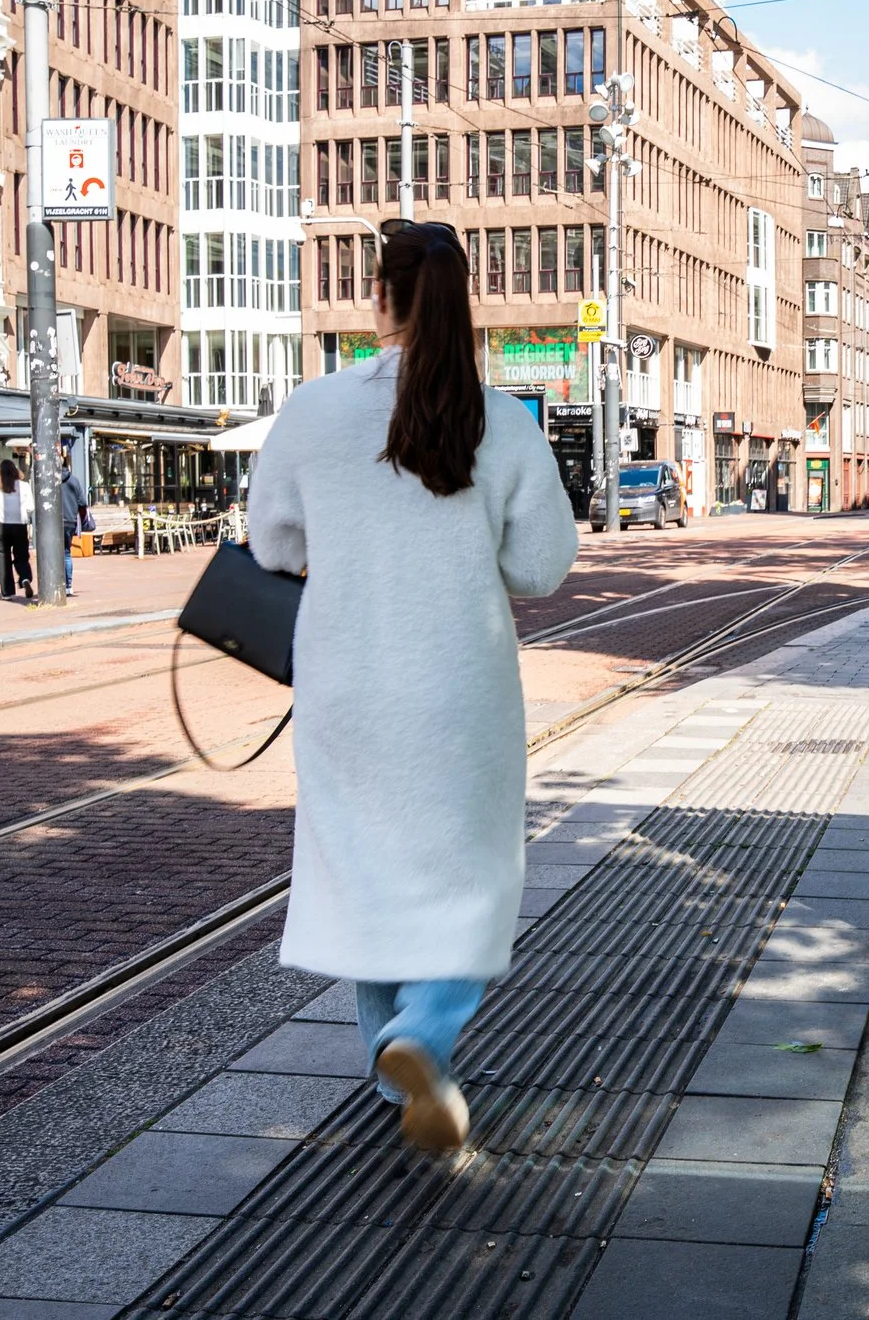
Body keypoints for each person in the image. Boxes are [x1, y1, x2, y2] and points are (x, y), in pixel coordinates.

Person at [248, 221, 579, 1151]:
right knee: (474, 874)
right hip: (460, 686)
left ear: (379, 299)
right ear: (463, 300)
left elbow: (275, 545)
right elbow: (544, 564)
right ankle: (423, 1033)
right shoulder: (501, 419)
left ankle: (398, 1073)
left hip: (347, 685)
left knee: (366, 866)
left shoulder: (311, 410)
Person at [0, 459, 35, 600]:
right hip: (20, 525)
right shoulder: (24, 486)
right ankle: (25, 577)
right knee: (21, 555)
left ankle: (8, 592)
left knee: (2, 558)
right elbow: (30, 507)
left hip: (1, 525)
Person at [57, 441, 91, 597]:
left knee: (52, 553)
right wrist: (82, 521)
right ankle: (68, 585)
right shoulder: (74, 480)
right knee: (66, 553)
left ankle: (56, 583)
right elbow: (82, 503)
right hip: (70, 520)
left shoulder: (49, 482)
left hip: (52, 523)